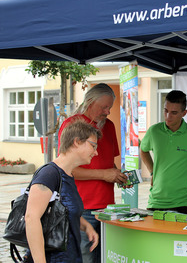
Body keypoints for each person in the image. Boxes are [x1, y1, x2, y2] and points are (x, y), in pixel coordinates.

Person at [58, 83, 127, 263]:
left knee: (104, 257)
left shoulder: (109, 126)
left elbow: (107, 161)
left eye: (110, 107)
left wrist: (117, 175)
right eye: (103, 107)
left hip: (107, 207)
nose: (107, 111)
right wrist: (104, 174)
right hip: (83, 206)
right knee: (84, 257)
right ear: (89, 101)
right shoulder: (72, 125)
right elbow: (68, 169)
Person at [25, 119, 101, 262]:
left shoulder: (67, 175)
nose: (96, 152)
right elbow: (31, 218)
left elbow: (62, 213)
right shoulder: (49, 174)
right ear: (77, 142)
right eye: (93, 145)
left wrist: (86, 226)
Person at [140, 90, 187, 215]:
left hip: (184, 204)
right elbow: (143, 150)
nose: (168, 116)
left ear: (184, 113)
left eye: (174, 113)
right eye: (166, 111)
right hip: (156, 202)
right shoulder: (154, 131)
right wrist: (153, 171)